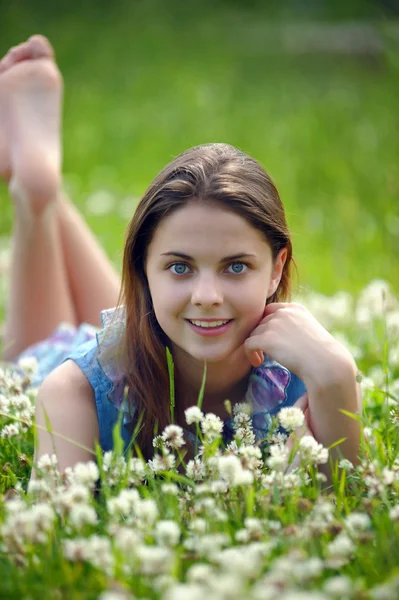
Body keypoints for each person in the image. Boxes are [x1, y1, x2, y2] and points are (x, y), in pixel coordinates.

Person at [0, 35, 362, 477]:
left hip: (155, 329)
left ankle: (44, 187)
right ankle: (34, 196)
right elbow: (53, 537)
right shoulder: (72, 391)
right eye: (179, 265)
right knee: (32, 354)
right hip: (89, 362)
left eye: (235, 266)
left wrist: (339, 375)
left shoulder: (314, 372)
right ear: (140, 268)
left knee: (163, 312)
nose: (208, 295)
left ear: (277, 268)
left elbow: (348, 512)